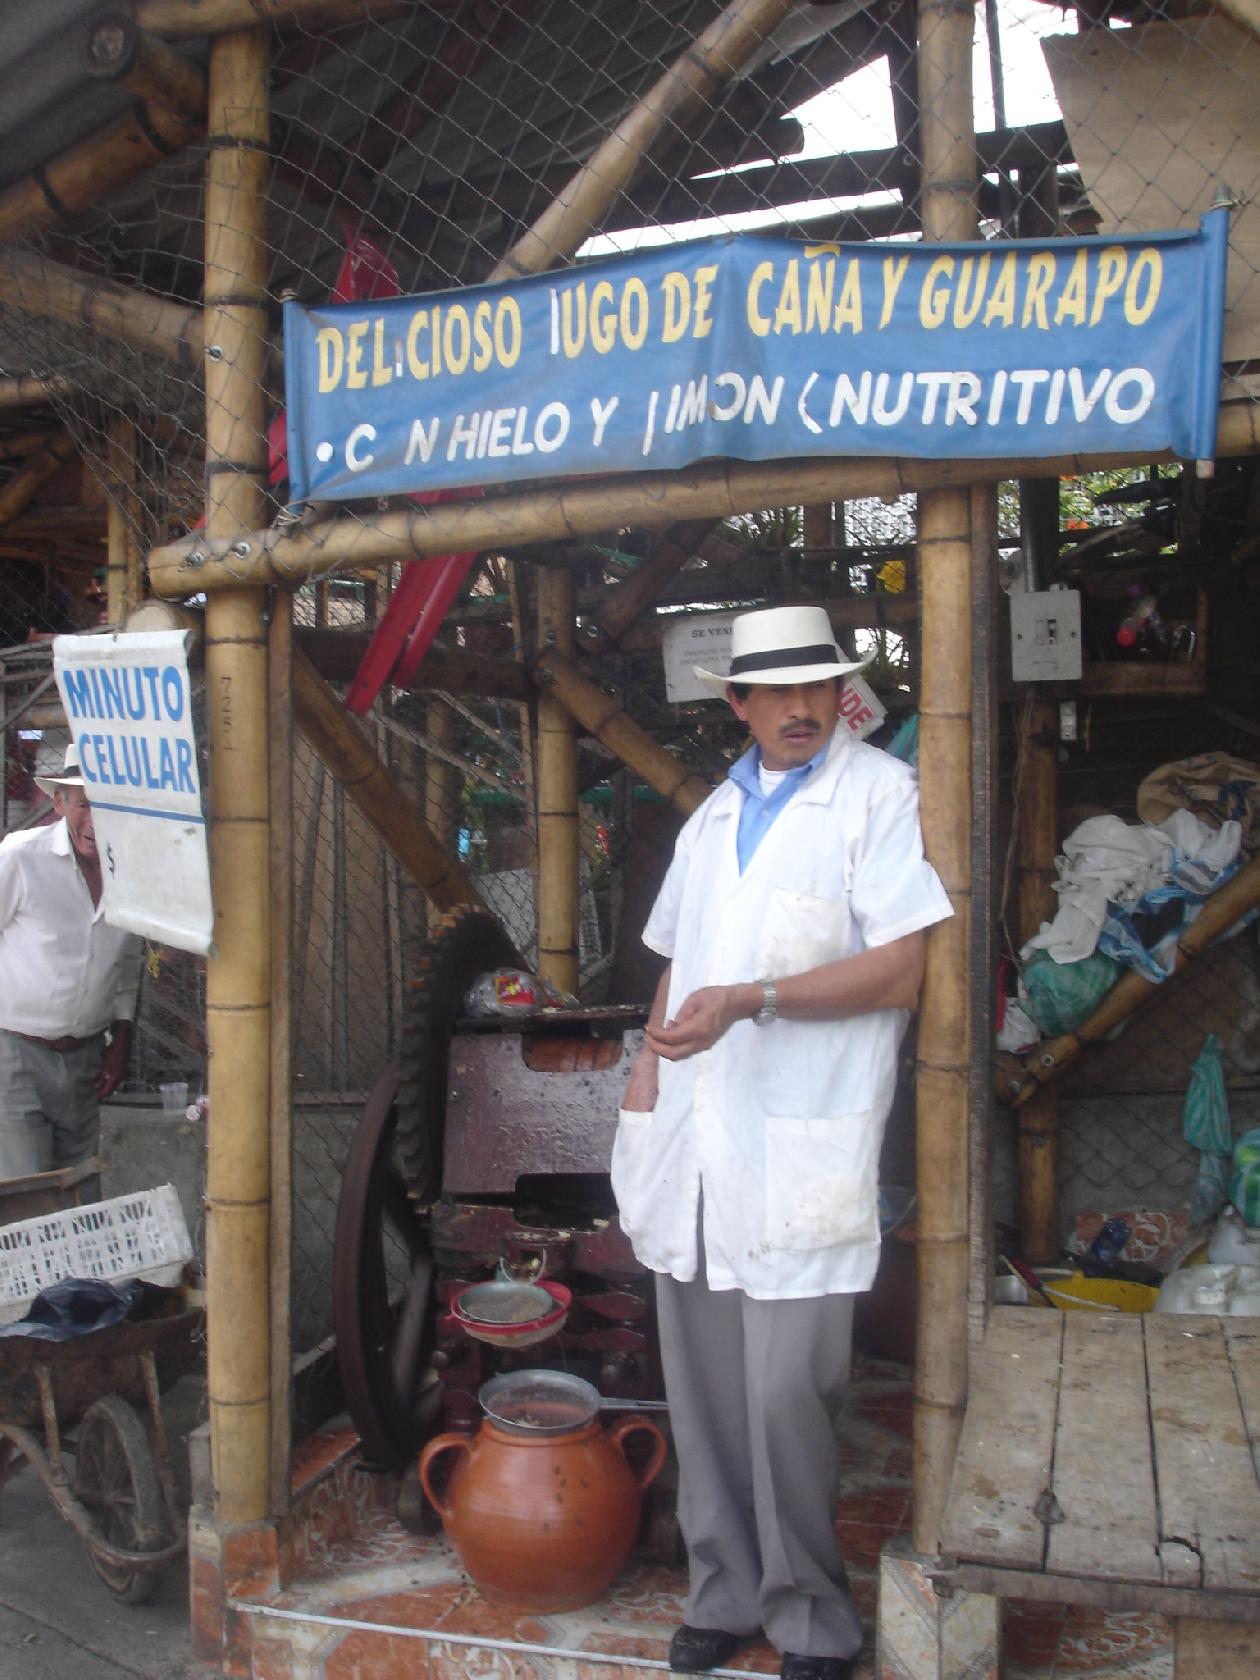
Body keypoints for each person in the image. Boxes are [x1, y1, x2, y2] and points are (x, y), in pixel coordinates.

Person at [613, 604, 953, 1680]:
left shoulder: (878, 795)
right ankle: (722, 1594)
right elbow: (678, 959)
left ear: (840, 696)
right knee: (707, 1391)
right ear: (740, 704)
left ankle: (810, 1616)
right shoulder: (714, 814)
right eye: (779, 692)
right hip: (694, 1137)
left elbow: (902, 969)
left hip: (803, 1139)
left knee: (785, 1397)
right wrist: (646, 1075)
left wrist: (754, 999)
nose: (802, 708)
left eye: (819, 688)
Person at [0, 745, 143, 1187]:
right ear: (60, 804)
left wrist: (121, 1036)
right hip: (15, 1054)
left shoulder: (133, 870)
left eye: (108, 805)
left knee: (80, 1194)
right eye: (84, 804)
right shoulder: (20, 857)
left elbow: (127, 961)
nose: (96, 821)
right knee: (28, 1196)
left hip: (84, 1059)